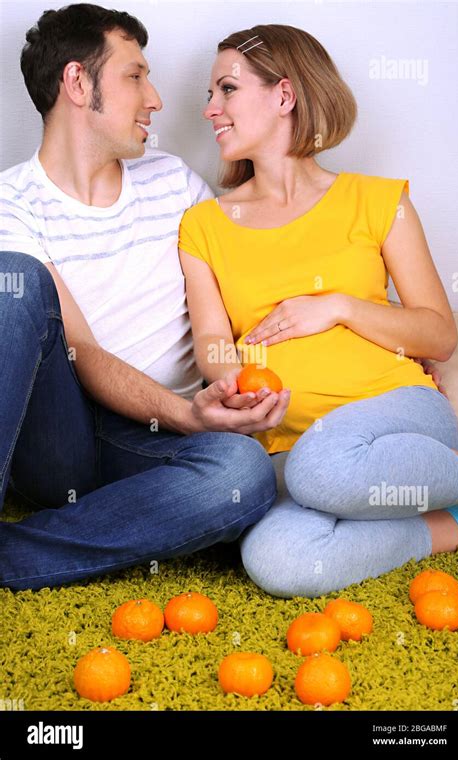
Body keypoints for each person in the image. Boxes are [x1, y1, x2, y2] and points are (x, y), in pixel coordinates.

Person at [0, 5, 292, 592]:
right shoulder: (13, 202)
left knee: (242, 473)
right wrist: (190, 414)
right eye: (135, 76)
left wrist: (378, 342)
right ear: (78, 83)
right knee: (15, 278)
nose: (155, 99)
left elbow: (252, 284)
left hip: (154, 447)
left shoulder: (175, 182)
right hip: (61, 436)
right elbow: (79, 350)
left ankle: (18, 553)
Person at [178, 24, 458, 598]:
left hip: (397, 411)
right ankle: (457, 524)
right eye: (209, 95)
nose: (210, 108)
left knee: (322, 468)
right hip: (288, 444)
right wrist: (232, 386)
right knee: (277, 560)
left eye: (227, 89)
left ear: (284, 95)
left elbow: (440, 335)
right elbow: (213, 347)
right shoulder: (204, 226)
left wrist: (337, 307)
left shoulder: (378, 200)